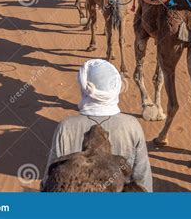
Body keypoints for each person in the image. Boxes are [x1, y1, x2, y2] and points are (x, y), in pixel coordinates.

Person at [41, 59, 153, 192]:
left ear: (84, 88)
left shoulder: (66, 127)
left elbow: (49, 178)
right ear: (115, 88)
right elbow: (143, 180)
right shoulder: (132, 126)